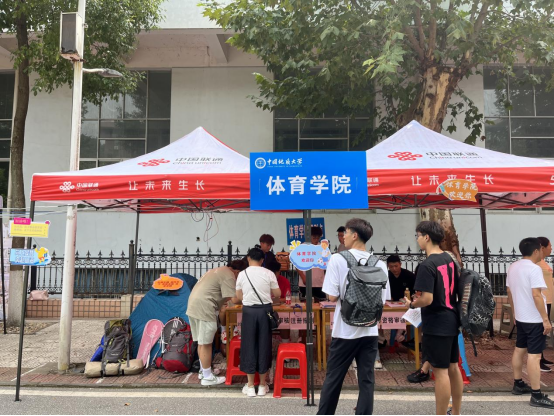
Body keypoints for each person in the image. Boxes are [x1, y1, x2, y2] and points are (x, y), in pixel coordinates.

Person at [317, 218, 391, 416]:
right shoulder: (380, 264)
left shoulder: (337, 259)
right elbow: (383, 300)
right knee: (366, 379)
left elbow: (332, 296)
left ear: (355, 235)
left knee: (334, 378)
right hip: (370, 331)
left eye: (346, 233)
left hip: (345, 331)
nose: (343, 237)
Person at [404, 221, 463, 416]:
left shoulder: (427, 265)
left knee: (441, 371)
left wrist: (412, 304)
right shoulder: (449, 258)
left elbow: (427, 299)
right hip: (452, 318)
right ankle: (455, 412)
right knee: (453, 368)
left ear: (427, 237)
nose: (418, 240)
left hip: (436, 322)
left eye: (418, 236)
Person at [507, 238, 554, 409]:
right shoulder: (534, 269)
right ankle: (536, 395)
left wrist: (515, 312)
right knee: (535, 356)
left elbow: (509, 291)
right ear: (536, 251)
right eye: (541, 250)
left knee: (520, 349)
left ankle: (518, 383)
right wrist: (545, 319)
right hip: (534, 319)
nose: (542, 252)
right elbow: (536, 295)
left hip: (521, 317)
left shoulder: (513, 266)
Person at [186, 260, 247, 386]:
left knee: (201, 342)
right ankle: (207, 377)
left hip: (193, 306)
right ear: (237, 272)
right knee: (206, 343)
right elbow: (234, 299)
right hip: (205, 307)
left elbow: (225, 296)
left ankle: (204, 371)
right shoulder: (229, 274)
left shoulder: (218, 271)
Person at [236, 247, 281, 397]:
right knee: (264, 345)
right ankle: (262, 385)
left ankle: (250, 386)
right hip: (265, 311)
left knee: (249, 345)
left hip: (248, 312)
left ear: (248, 258)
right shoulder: (269, 273)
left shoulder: (242, 274)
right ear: (262, 260)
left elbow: (239, 296)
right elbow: (278, 293)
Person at [537, 237, 554, 372]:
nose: (551, 248)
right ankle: (537, 360)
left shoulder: (543, 262)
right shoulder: (537, 263)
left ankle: (541, 357)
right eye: (550, 246)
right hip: (542, 300)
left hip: (548, 300)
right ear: (542, 248)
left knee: (543, 331)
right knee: (540, 330)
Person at [267, 259, 292, 345]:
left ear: (279, 272)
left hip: (281, 309)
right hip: (266, 309)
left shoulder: (284, 281)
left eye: (275, 273)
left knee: (284, 321)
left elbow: (287, 298)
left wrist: (277, 300)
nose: (272, 276)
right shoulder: (262, 281)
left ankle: (285, 344)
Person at [298, 226, 326, 299]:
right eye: (314, 238)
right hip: (305, 283)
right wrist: (303, 277)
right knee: (305, 304)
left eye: (318, 238)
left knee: (320, 304)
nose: (316, 240)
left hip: (319, 283)